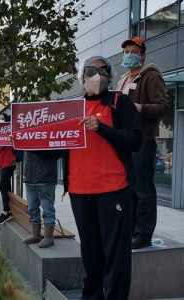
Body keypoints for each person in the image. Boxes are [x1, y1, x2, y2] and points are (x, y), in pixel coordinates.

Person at [62, 55, 142, 299]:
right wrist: (24, 142)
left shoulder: (120, 102)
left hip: (114, 189)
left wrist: (102, 129)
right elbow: (55, 147)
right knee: (91, 256)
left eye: (103, 70)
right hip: (80, 192)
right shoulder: (71, 108)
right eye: (90, 70)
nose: (96, 75)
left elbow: (135, 141)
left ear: (110, 76)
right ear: (82, 76)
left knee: (116, 257)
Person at [117, 37, 169, 249]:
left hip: (143, 141)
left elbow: (162, 107)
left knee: (143, 190)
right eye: (126, 51)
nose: (129, 54)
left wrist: (139, 107)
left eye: (134, 51)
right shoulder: (123, 80)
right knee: (128, 189)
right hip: (125, 141)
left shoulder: (151, 76)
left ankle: (144, 234)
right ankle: (131, 230)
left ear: (143, 55)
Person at [21, 150, 62, 248]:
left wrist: (32, 147)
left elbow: (57, 154)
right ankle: (36, 234)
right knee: (32, 208)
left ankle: (48, 236)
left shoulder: (49, 136)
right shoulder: (27, 135)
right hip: (30, 178)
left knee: (47, 209)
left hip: (45, 178)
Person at [0, 113, 17, 225]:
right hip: (2, 162)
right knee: (6, 187)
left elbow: (14, 146)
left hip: (9, 162)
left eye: (3, 119)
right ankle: (7, 210)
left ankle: (5, 212)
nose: (0, 121)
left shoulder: (11, 132)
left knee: (2, 186)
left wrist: (11, 140)